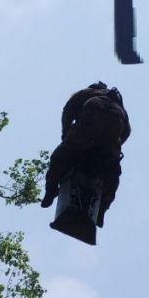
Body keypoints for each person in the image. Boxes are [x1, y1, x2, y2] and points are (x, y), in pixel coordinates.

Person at [41, 82, 131, 227]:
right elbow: (126, 131)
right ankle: (101, 211)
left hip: (93, 117)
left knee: (60, 156)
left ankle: (50, 191)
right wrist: (113, 147)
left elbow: (68, 111)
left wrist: (66, 137)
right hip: (114, 126)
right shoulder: (118, 103)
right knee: (112, 173)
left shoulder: (85, 92)